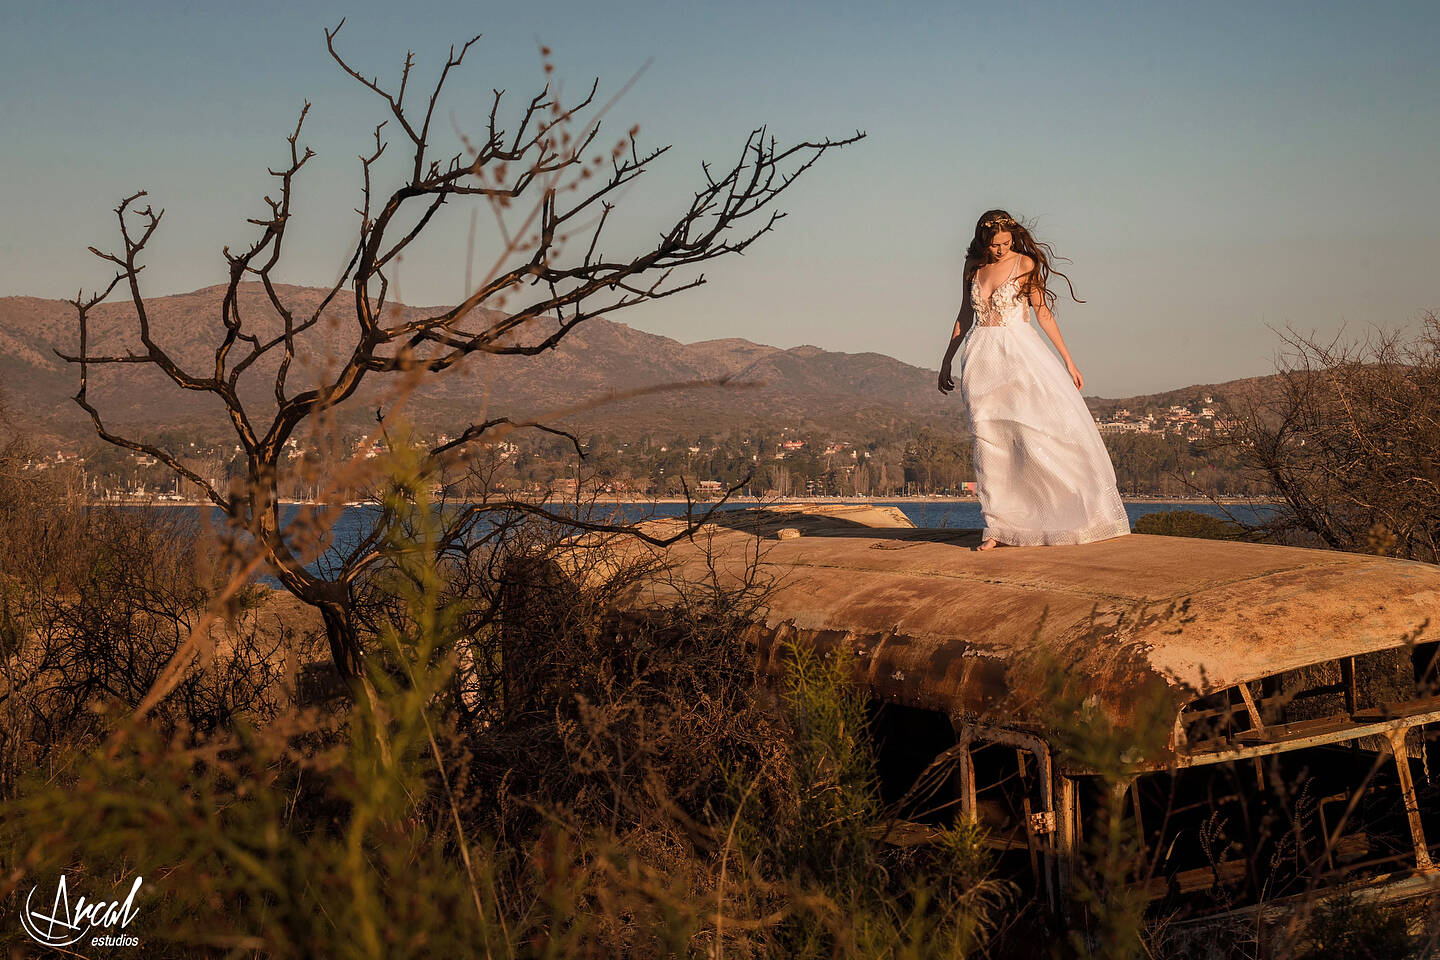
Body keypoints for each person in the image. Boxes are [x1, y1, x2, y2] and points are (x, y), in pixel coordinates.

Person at [937, 210, 1130, 551]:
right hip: (981, 355)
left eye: (1006, 243)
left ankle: (1061, 513)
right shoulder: (972, 268)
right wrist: (946, 359)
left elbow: (1042, 313)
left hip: (1021, 355)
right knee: (987, 438)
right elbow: (965, 314)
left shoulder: (1025, 264)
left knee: (1034, 435)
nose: (1001, 250)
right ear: (984, 241)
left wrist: (1069, 361)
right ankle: (997, 526)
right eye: (995, 245)